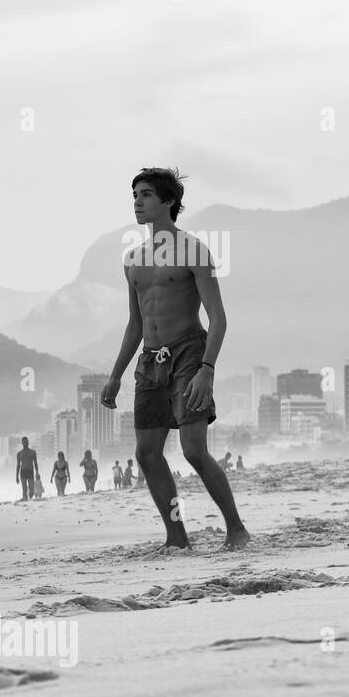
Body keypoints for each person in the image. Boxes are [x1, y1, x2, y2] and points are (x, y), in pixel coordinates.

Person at [101, 167, 250, 549]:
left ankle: (236, 529)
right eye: (135, 194)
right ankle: (176, 537)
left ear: (168, 202)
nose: (137, 201)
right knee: (147, 453)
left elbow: (218, 318)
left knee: (193, 450)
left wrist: (207, 369)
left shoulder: (194, 250)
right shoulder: (132, 259)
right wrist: (116, 375)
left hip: (188, 353)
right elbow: (135, 324)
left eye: (146, 194)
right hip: (150, 360)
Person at [15, 436, 39, 501]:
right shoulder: (19, 453)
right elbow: (18, 465)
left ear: (28, 442)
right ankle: (25, 502)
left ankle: (28, 498)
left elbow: (35, 463)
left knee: (32, 491)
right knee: (24, 488)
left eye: (26, 442)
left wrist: (37, 472)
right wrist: (16, 476)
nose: (25, 443)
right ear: (22, 443)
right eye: (24, 442)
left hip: (30, 471)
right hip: (23, 472)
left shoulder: (33, 452)